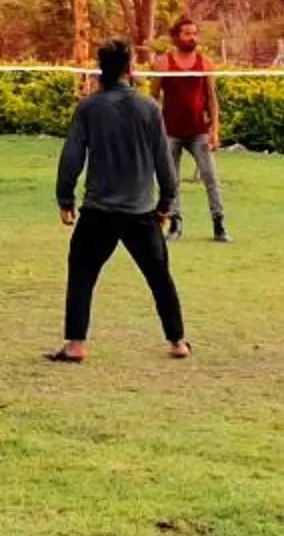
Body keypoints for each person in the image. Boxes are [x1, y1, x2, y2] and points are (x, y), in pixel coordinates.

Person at [49, 37, 189, 363]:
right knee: (159, 277)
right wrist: (166, 204)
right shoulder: (149, 108)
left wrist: (65, 198)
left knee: (82, 275)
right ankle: (178, 341)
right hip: (141, 211)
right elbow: (164, 162)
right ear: (130, 68)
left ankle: (76, 344)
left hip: (98, 211)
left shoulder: (88, 108)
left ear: (101, 69)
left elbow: (71, 156)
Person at [153, 16, 230, 243]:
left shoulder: (205, 63)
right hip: (170, 132)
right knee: (171, 180)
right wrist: (153, 130)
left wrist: (214, 130)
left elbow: (212, 99)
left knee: (210, 177)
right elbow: (153, 99)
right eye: (187, 34)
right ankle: (175, 223)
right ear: (176, 37)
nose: (192, 38)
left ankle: (219, 224)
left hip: (198, 131)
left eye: (195, 33)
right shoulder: (163, 63)